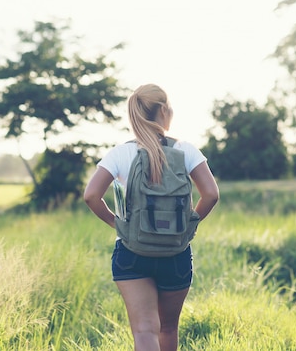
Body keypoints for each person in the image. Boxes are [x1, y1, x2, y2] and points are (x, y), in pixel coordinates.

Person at [83, 83, 219, 351]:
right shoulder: (186, 150)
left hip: (133, 252)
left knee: (145, 330)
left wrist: (116, 223)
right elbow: (211, 194)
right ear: (164, 110)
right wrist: (187, 226)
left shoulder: (120, 153)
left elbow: (91, 195)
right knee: (168, 329)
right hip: (175, 254)